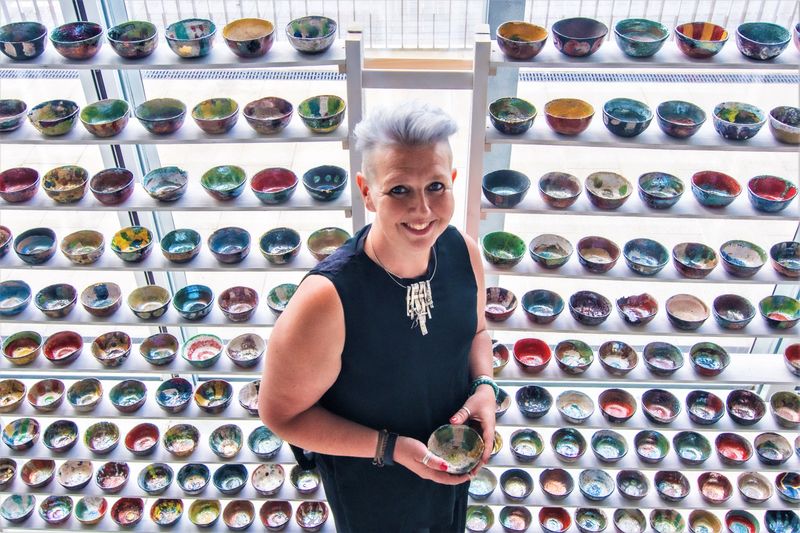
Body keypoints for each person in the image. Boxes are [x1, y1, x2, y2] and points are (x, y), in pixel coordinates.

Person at [258, 100, 496, 532]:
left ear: (454, 182)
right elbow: (280, 414)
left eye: (436, 186)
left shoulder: (465, 252)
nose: (423, 209)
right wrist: (391, 448)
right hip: (371, 482)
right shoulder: (327, 299)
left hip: (449, 463)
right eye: (400, 189)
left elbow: (477, 331)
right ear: (367, 191)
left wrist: (484, 386)